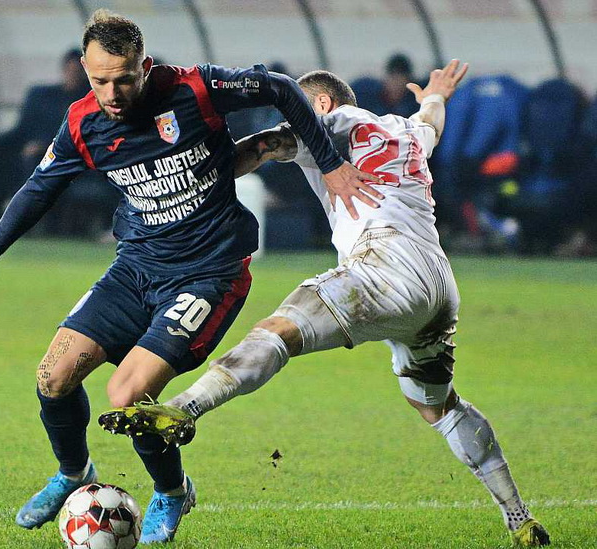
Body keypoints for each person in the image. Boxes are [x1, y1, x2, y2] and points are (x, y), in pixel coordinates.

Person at [0, 9, 381, 545]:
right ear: (85, 68)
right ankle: (73, 474)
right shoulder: (83, 122)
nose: (112, 91)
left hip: (209, 274)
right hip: (135, 269)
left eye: (123, 78)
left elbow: (282, 88)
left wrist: (332, 161)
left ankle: (173, 491)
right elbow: (38, 191)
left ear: (144, 67)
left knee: (125, 395)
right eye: (99, 78)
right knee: (52, 380)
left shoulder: (194, 89)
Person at [100, 60, 551, 547]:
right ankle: (518, 516)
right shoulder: (403, 130)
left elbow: (263, 146)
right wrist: (435, 95)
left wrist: (191, 181)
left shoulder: (331, 123)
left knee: (278, 330)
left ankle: (183, 410)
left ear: (318, 105)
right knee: (439, 407)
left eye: (296, 104)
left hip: (382, 266)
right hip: (437, 285)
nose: (289, 113)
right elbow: (431, 123)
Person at [0, 48, 92, 234]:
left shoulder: (89, 101)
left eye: (78, 70)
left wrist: (46, 146)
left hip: (61, 162)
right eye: (70, 69)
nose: (73, 74)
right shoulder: (42, 96)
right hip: (24, 157)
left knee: (35, 158)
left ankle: (26, 219)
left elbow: (83, 137)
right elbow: (21, 131)